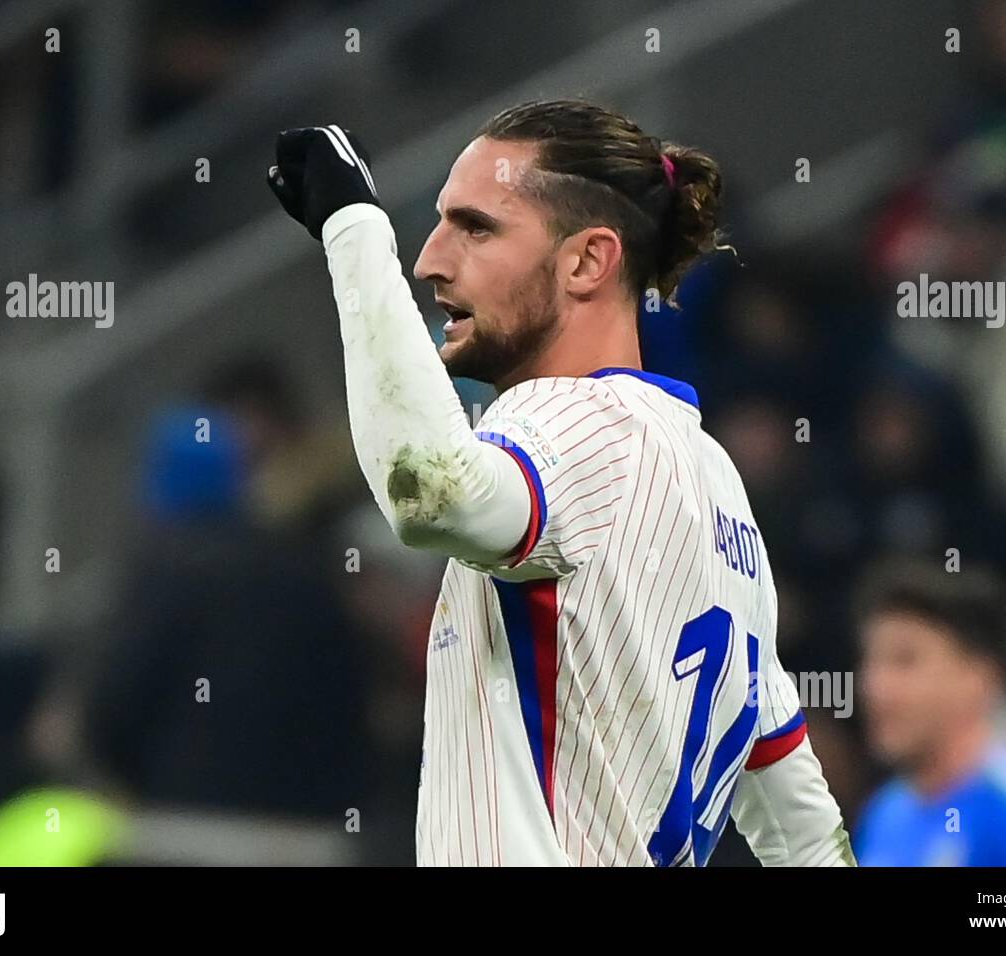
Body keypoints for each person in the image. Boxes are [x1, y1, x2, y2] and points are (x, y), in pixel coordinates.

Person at [264, 100, 854, 867]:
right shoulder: (717, 487)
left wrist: (353, 227)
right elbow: (800, 824)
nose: (431, 259)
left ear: (586, 261)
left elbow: (430, 491)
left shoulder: (573, 421)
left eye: (476, 227)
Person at [853, 561, 1006, 866]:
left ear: (978, 678)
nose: (874, 685)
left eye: (905, 661)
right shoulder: (884, 814)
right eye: (871, 661)